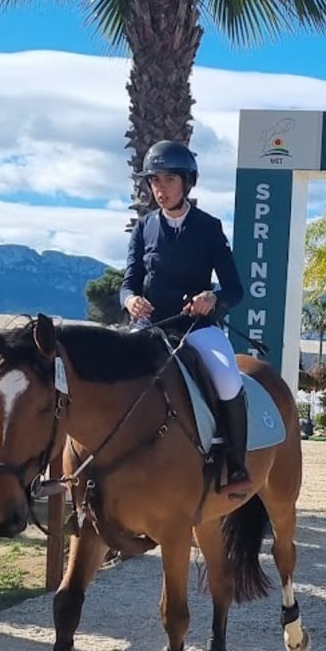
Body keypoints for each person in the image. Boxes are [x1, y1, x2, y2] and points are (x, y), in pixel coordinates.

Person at [121, 139, 250, 495]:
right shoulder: (143, 228)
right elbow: (128, 282)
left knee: (227, 378)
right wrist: (131, 300)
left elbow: (235, 289)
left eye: (168, 180)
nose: (160, 189)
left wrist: (212, 297)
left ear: (186, 182)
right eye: (155, 181)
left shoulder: (209, 227)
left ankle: (235, 465)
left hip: (195, 328)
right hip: (150, 329)